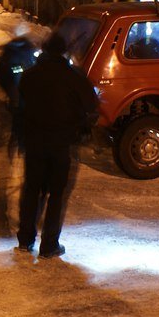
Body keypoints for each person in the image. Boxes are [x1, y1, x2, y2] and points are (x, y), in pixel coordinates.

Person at [15, 32, 97, 259]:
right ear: (63, 52)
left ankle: (25, 239)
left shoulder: (29, 76)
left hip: (34, 142)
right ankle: (49, 244)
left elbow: (20, 105)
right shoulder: (73, 77)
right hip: (60, 143)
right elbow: (91, 104)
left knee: (32, 190)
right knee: (56, 194)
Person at [0, 23, 37, 153]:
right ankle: (18, 142)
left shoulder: (25, 49)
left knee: (22, 117)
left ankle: (20, 142)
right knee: (20, 117)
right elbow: (7, 71)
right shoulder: (13, 51)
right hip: (19, 91)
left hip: (23, 91)